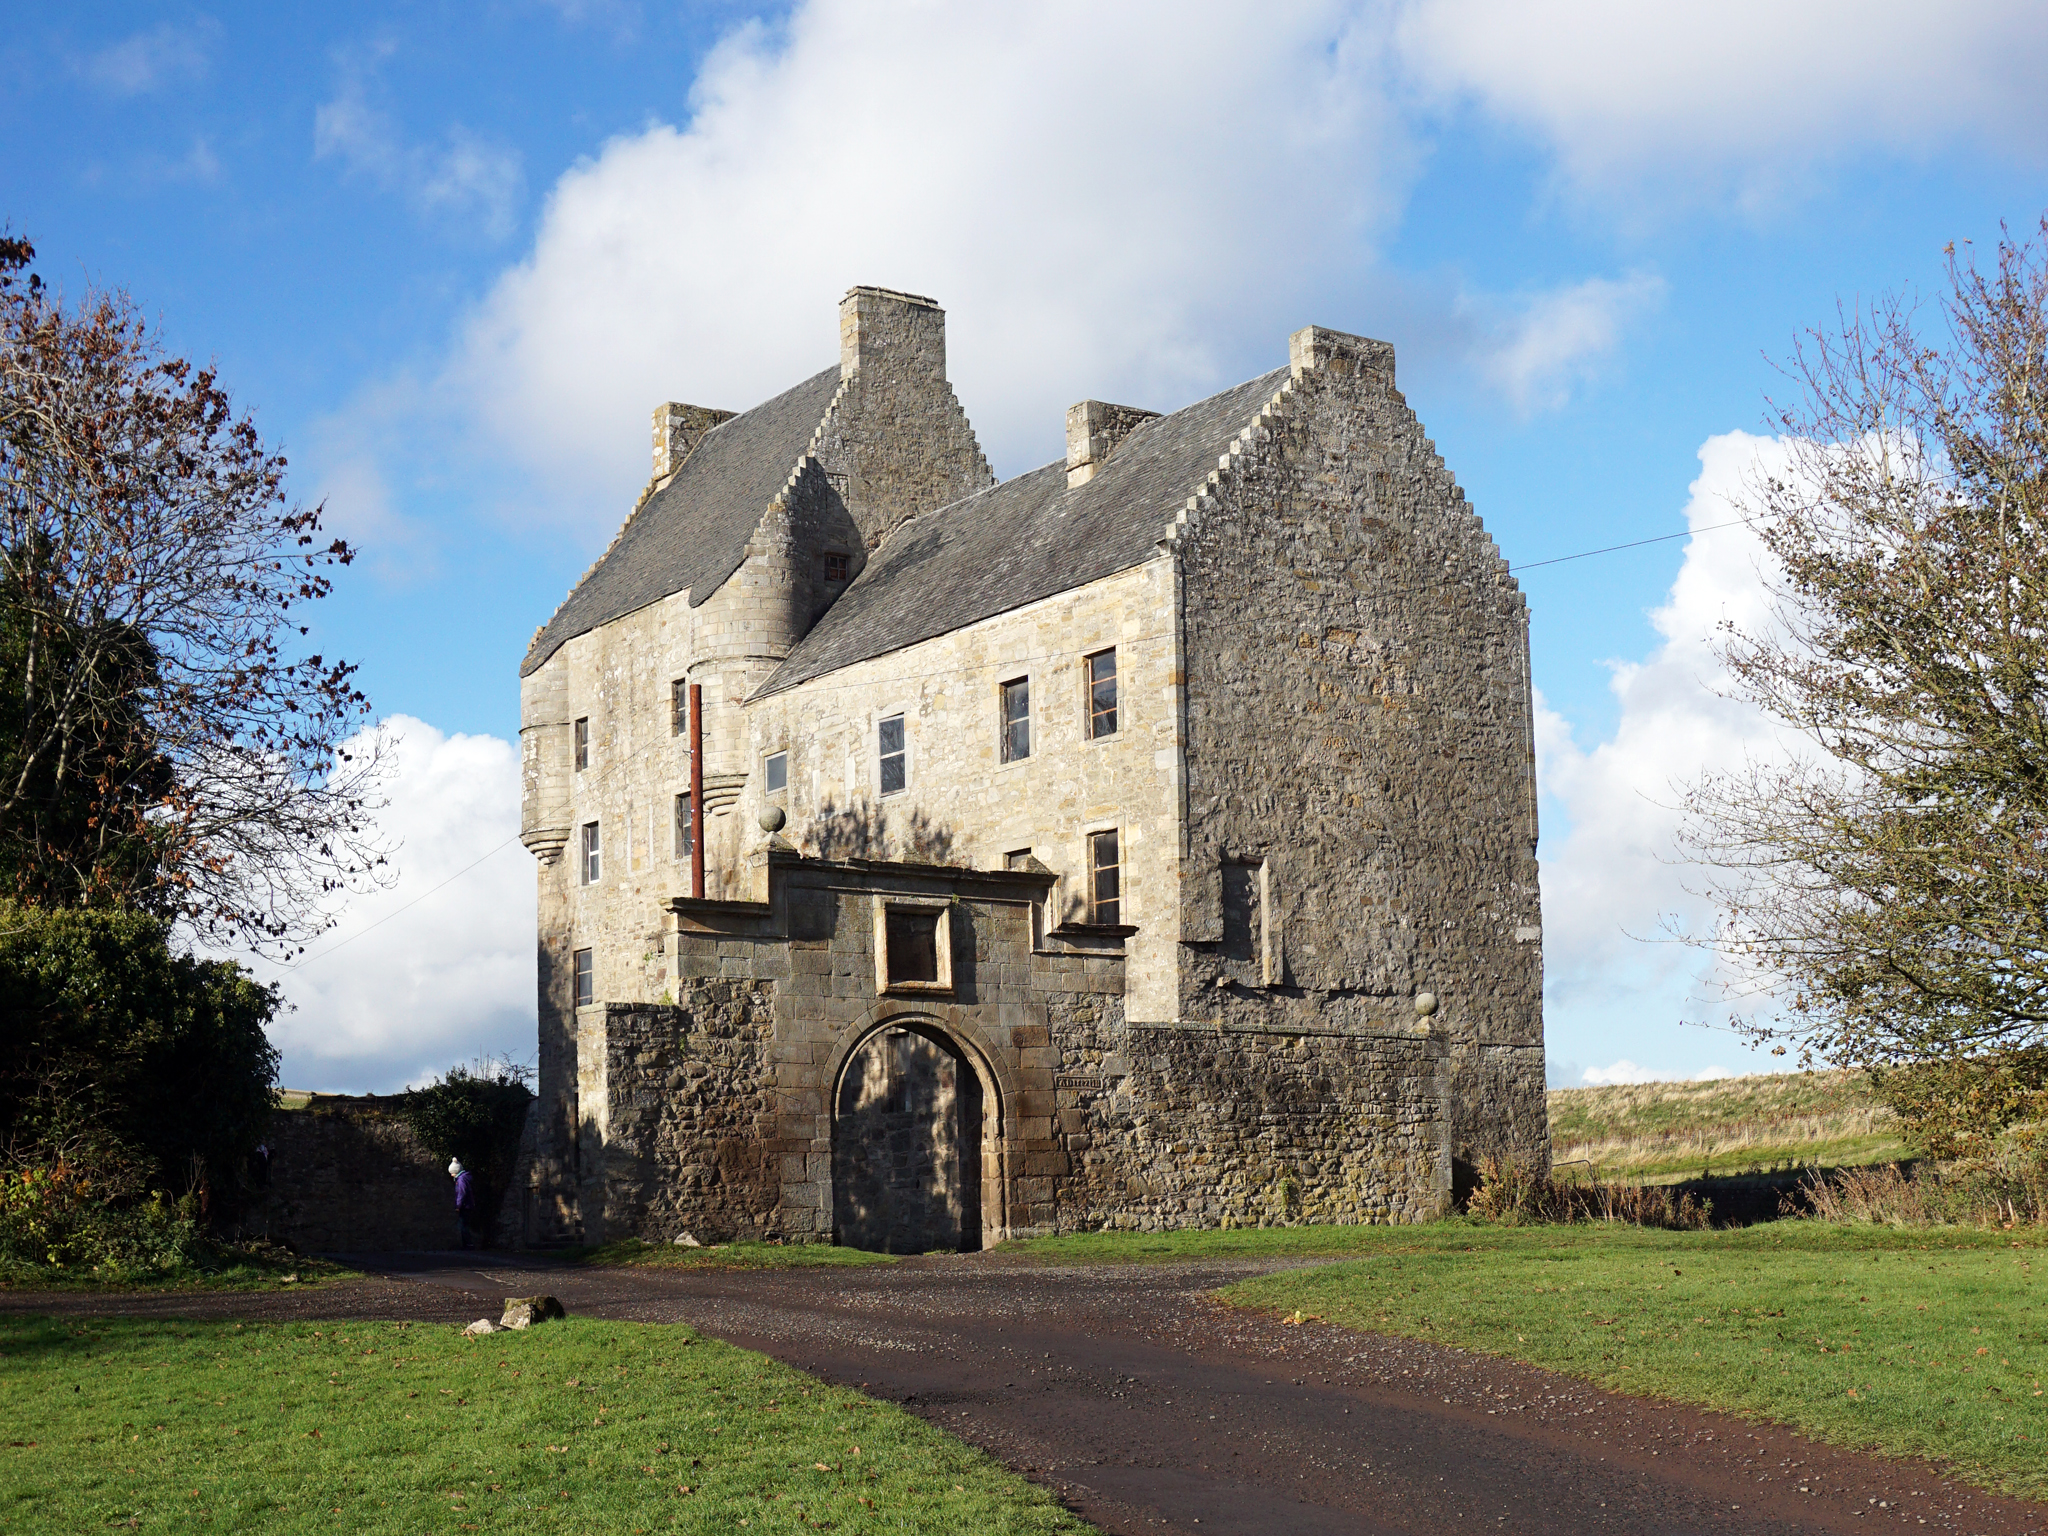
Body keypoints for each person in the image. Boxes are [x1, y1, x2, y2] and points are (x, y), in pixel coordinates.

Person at [451, 1158, 478, 1250]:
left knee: (463, 1225)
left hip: (465, 1206)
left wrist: (458, 1206)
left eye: (452, 1172)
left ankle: (468, 1245)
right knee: (464, 1225)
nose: (451, 1174)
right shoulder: (465, 1178)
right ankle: (467, 1244)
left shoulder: (461, 1180)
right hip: (468, 1205)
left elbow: (461, 1193)